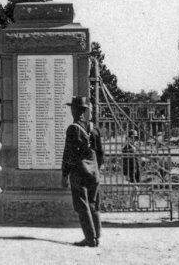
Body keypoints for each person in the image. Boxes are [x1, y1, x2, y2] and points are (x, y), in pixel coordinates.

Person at [61, 96, 104, 247]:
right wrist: (97, 169)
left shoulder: (73, 129)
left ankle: (89, 238)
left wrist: (65, 174)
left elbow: (68, 154)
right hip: (94, 172)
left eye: (72, 108)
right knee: (93, 204)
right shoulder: (95, 128)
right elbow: (100, 153)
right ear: (86, 110)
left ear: (75, 110)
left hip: (79, 172)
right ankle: (97, 237)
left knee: (82, 205)